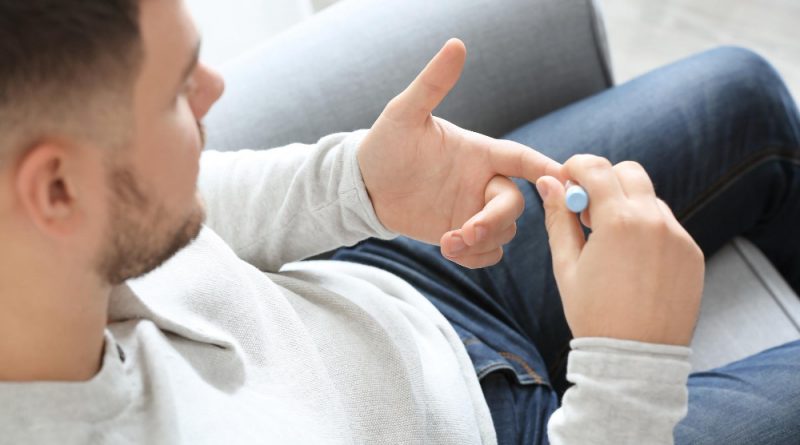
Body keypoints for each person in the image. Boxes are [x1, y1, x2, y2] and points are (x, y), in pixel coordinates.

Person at [0, 0, 798, 444]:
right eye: (178, 91)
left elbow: (196, 195)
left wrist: (357, 185)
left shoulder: (43, 231)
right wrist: (629, 368)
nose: (216, 90)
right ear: (58, 190)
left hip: (398, 283)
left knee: (745, 92)